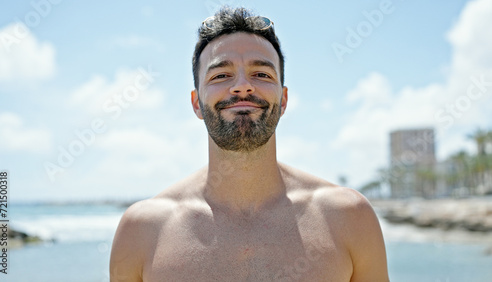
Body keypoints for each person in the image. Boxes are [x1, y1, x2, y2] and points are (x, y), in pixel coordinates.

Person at [110, 6, 389, 282]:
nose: (242, 86)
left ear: (284, 100)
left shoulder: (349, 218)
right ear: (196, 103)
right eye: (221, 75)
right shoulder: (143, 231)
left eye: (262, 74)